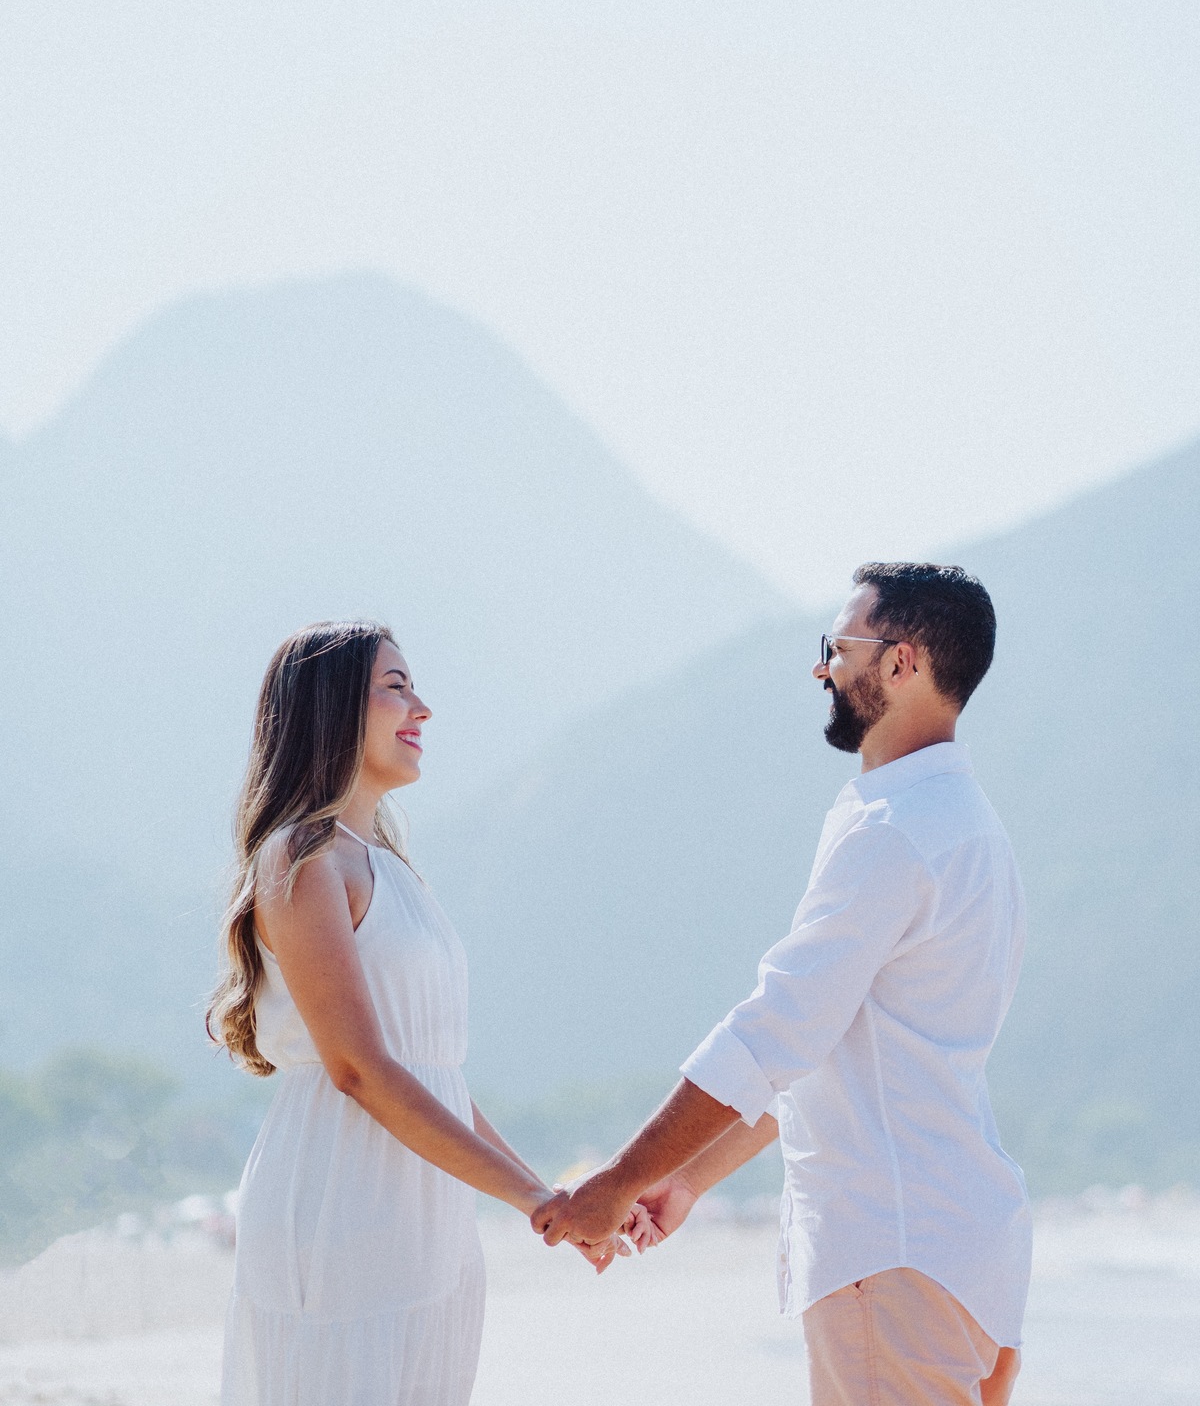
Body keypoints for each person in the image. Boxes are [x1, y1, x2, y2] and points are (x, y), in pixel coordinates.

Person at [535, 562, 1030, 1406]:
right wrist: (685, 1177)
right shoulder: (972, 830)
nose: (822, 668)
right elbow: (835, 1049)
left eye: (838, 646)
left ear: (902, 663)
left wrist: (615, 1182)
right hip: (966, 1260)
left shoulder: (894, 833)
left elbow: (775, 1034)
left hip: (893, 1259)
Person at [208, 620, 635, 1406]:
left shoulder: (389, 869)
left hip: (427, 1221)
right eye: (397, 687)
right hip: (341, 1201)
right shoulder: (302, 858)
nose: (423, 709)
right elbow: (360, 1069)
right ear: (333, 709)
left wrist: (545, 1197)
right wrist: (538, 1204)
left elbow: (433, 1072)